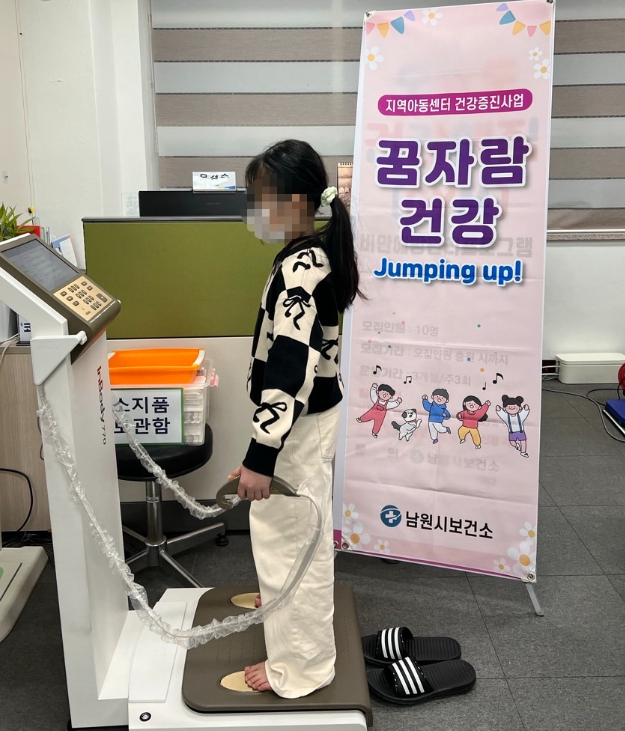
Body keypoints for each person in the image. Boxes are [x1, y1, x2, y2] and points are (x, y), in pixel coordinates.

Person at [227, 139, 362, 698]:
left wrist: (261, 457)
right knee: (296, 532)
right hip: (305, 422)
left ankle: (301, 667)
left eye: (262, 199)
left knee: (291, 541)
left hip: (299, 423)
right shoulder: (305, 256)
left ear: (297, 202)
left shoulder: (302, 269)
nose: (255, 211)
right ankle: (283, 607)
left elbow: (289, 370)